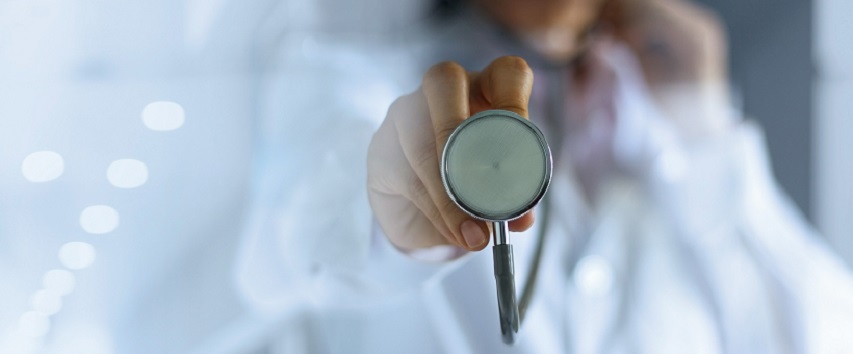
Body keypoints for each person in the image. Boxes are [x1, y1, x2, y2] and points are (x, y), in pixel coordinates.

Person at [236, 0, 853, 352]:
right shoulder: (350, 82)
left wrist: (707, 131)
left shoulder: (677, 139)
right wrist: (398, 229)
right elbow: (282, 255)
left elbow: (827, 334)